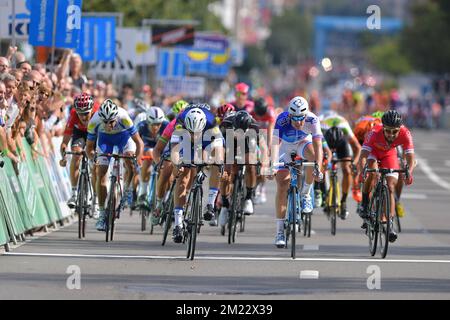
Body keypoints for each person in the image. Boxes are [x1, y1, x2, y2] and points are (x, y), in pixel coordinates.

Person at [272, 96, 323, 248]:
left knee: (312, 157)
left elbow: (318, 145)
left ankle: (306, 193)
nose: (299, 122)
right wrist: (273, 166)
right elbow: (275, 144)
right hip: (285, 148)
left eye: (302, 118)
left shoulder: (313, 120)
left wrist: (318, 167)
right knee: (282, 185)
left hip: (303, 143)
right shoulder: (281, 119)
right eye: (295, 118)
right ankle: (280, 231)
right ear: (289, 115)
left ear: (306, 115)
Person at [86, 99, 143, 231]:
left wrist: (137, 160)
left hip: (124, 138)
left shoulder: (123, 117)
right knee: (101, 174)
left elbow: (139, 142)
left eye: (111, 121)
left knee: (130, 161)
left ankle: (128, 190)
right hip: (105, 141)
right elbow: (89, 147)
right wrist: (93, 157)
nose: (108, 125)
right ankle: (101, 214)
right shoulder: (94, 121)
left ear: (115, 118)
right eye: (105, 122)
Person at [357, 110, 415, 242]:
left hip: (389, 154)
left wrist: (409, 172)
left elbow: (410, 156)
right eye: (388, 131)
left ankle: (389, 224)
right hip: (373, 153)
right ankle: (365, 203)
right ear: (383, 127)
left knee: (390, 186)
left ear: (399, 129)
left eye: (395, 131)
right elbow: (363, 157)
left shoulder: (405, 133)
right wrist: (362, 172)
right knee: (372, 172)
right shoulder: (374, 133)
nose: (391, 135)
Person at [169, 105, 224, 243]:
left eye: (196, 133)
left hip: (207, 142)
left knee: (217, 164)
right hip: (185, 143)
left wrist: (215, 161)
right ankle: (178, 224)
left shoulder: (212, 123)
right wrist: (178, 165)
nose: (194, 136)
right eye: (191, 132)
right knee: (183, 177)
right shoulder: (180, 125)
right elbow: (175, 151)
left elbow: (219, 149)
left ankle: (210, 203)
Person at [60, 93, 100, 208]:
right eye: (80, 113)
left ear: (92, 110)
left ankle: (96, 198)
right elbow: (64, 141)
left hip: (95, 134)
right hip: (80, 134)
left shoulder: (98, 113)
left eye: (86, 114)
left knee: (96, 165)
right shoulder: (73, 115)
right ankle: (74, 194)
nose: (83, 117)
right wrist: (63, 157)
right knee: (76, 154)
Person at [320, 111, 361, 219]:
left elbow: (357, 148)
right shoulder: (321, 126)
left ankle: (343, 201)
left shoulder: (345, 127)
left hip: (342, 143)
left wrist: (354, 163)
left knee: (347, 170)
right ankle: (323, 193)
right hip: (325, 142)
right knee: (321, 165)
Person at [136, 107, 169, 214]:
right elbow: (135, 143)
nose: (156, 127)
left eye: (159, 124)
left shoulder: (166, 126)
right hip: (147, 147)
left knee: (165, 169)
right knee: (147, 158)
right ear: (147, 122)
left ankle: (164, 197)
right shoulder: (141, 126)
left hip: (162, 148)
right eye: (153, 124)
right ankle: (143, 193)